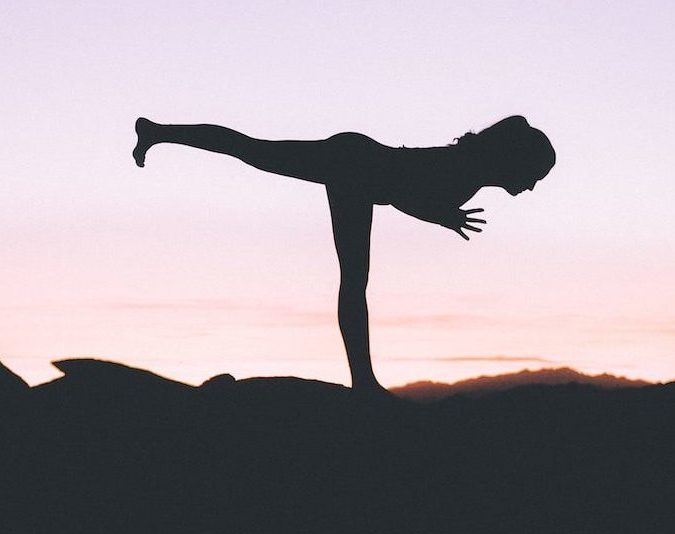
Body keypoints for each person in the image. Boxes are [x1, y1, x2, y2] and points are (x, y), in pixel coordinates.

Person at [133, 115, 555, 393]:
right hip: (355, 168)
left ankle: (157, 132)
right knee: (353, 281)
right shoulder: (466, 172)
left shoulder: (470, 170)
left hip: (358, 163)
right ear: (514, 162)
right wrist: (441, 216)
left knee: (252, 149)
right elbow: (405, 193)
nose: (532, 187)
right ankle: (364, 382)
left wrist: (440, 215)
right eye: (534, 176)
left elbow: (411, 191)